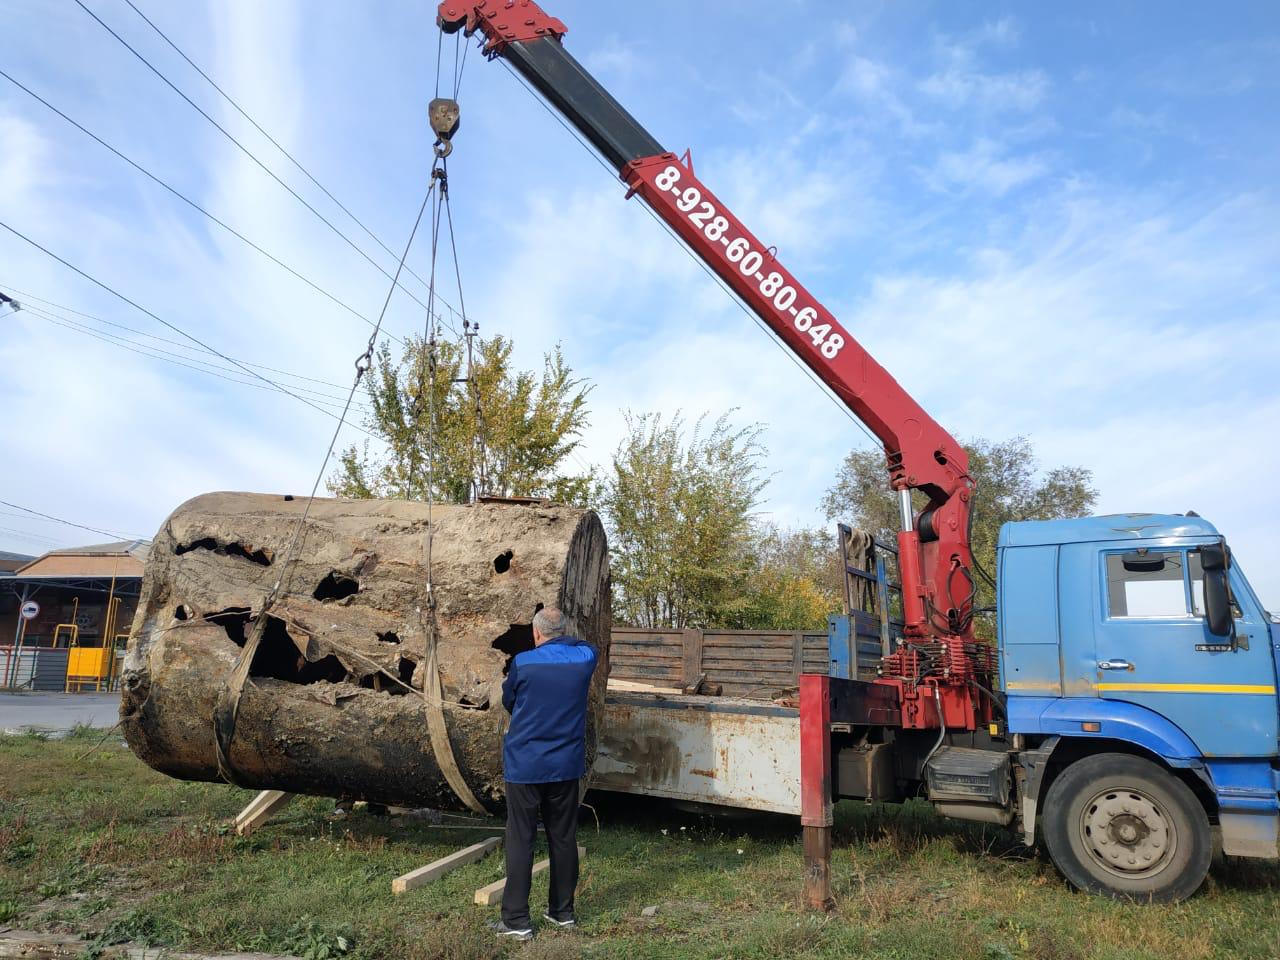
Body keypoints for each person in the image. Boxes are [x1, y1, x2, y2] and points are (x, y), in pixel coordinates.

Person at [487, 606, 598, 941]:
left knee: (521, 838)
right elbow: (585, 645)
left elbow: (509, 700)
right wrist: (562, 636)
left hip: (526, 765)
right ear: (563, 631)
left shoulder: (523, 662)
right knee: (563, 837)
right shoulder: (583, 658)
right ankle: (562, 912)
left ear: (536, 634)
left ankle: (517, 921)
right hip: (565, 765)